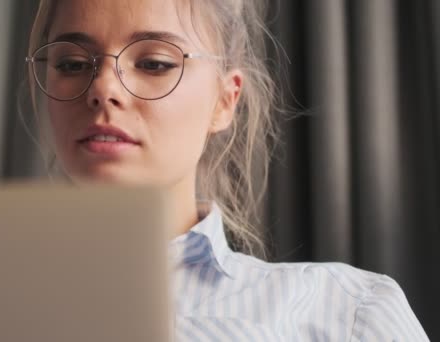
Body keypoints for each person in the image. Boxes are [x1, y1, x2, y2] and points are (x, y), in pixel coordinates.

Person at [24, 0, 429, 340]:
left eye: (153, 62)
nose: (103, 88)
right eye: (73, 64)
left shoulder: (346, 312)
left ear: (225, 100)